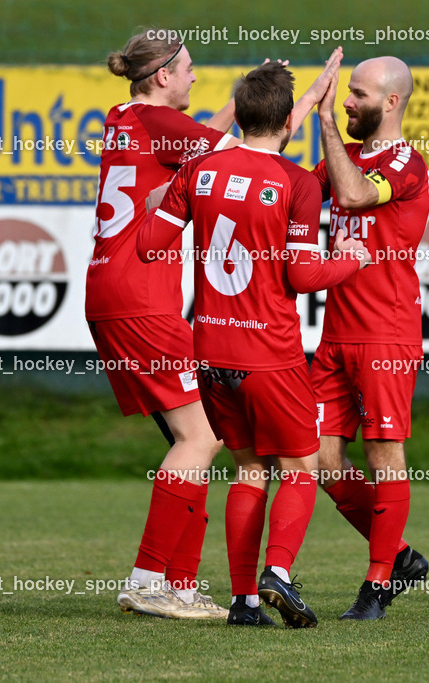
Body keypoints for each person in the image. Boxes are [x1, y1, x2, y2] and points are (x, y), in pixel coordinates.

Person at [86, 28, 341, 619]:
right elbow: (252, 150)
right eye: (189, 69)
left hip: (110, 291)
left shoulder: (125, 117)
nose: (195, 78)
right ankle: (149, 580)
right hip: (141, 297)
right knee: (199, 440)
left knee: (200, 441)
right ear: (163, 77)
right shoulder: (165, 124)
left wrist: (250, 102)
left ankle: (179, 584)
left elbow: (219, 144)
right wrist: (303, 102)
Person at [138, 61, 371, 628]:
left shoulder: (198, 170)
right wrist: (350, 260)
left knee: (248, 469)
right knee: (300, 467)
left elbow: (147, 244)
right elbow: (302, 275)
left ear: (239, 116)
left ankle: (244, 602)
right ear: (288, 122)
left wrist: (163, 204)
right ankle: (279, 573)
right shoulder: (297, 183)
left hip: (210, 353)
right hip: (269, 355)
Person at [311, 55, 429, 620]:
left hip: (386, 335)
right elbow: (291, 186)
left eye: (358, 93)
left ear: (391, 102)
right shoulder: (343, 159)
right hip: (335, 333)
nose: (347, 101)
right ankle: (400, 555)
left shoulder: (407, 163)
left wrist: (326, 125)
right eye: (347, 92)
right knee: (316, 458)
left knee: (384, 455)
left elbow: (356, 196)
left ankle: (378, 585)